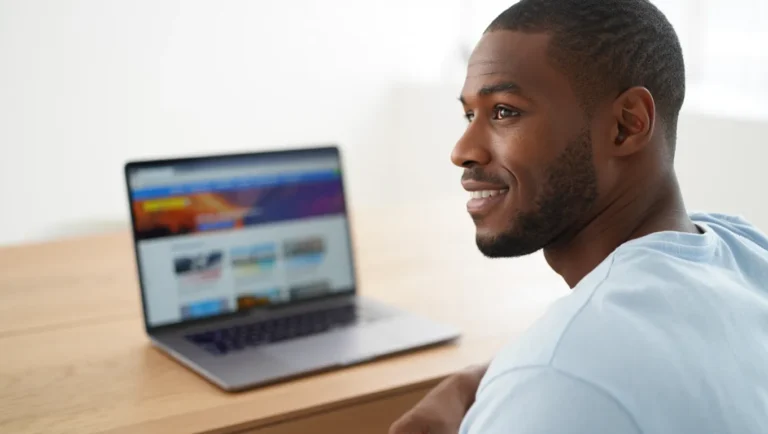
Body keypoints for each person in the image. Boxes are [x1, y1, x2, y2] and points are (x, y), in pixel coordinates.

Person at [390, 0, 768, 433]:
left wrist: (533, 376)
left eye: (504, 112)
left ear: (626, 125)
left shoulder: (556, 383)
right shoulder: (744, 250)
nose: (462, 151)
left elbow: (568, 371)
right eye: (469, 114)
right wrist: (476, 382)